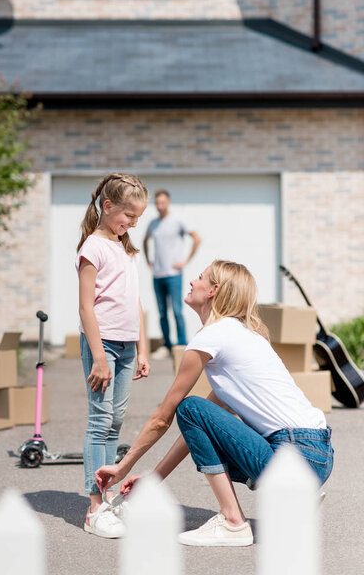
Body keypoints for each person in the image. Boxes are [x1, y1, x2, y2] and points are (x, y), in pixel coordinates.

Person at [96, 260, 334, 546]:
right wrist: (153, 479)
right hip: (316, 457)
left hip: (295, 454)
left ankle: (233, 522)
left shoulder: (213, 336)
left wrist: (122, 467)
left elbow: (165, 416)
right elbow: (199, 430)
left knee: (189, 406)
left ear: (213, 291)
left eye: (199, 278)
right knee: (195, 413)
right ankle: (296, 495)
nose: (192, 282)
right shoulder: (243, 337)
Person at [76, 172, 150, 538]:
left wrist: (142, 347)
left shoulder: (125, 248)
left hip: (125, 346)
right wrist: (98, 356)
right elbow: (86, 308)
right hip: (102, 345)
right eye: (129, 216)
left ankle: (106, 499)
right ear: (108, 207)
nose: (133, 223)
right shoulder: (93, 247)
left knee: (116, 421)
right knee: (99, 420)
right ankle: (94, 507)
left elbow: (134, 302)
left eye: (137, 218)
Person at [143, 190, 201, 359]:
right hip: (157, 274)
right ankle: (166, 345)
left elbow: (196, 238)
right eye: (157, 203)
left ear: (168, 202)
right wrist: (148, 260)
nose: (160, 206)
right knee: (162, 312)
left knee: (177, 310)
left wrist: (186, 261)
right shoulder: (153, 224)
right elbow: (145, 241)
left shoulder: (177, 221)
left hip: (174, 274)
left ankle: (182, 344)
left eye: (162, 202)